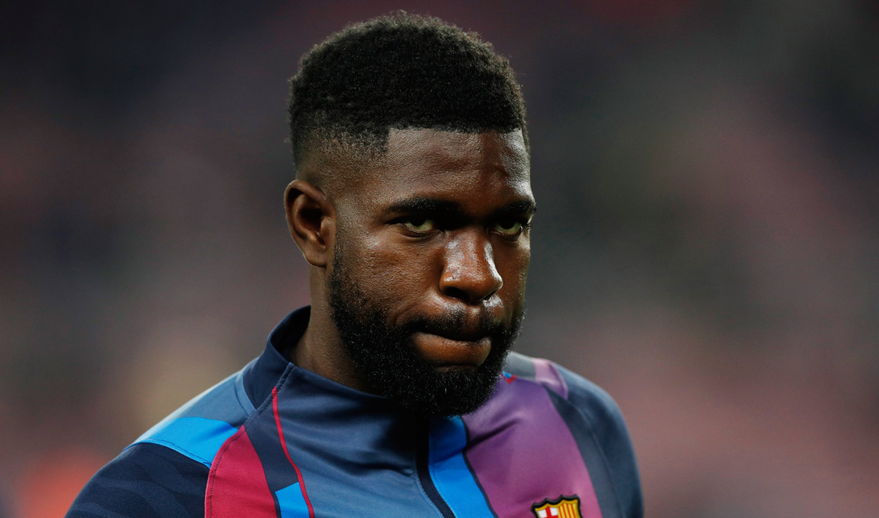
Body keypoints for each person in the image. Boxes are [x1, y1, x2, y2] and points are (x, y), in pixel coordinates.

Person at [66, 13, 642, 518]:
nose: (479, 276)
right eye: (422, 223)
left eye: (508, 225)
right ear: (314, 224)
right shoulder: (169, 495)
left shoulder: (578, 423)